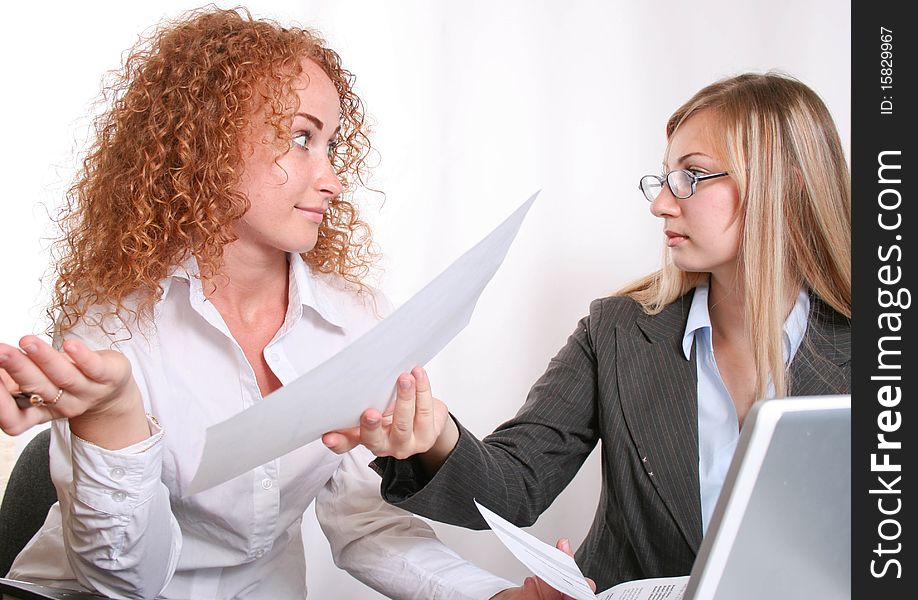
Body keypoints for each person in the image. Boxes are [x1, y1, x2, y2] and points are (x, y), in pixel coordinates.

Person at [0, 6, 548, 599]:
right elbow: (124, 579)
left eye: (332, 143)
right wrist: (114, 420)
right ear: (207, 142)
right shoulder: (114, 322)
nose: (333, 177)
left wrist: (494, 596)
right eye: (299, 137)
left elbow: (367, 522)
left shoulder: (356, 319)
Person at [323, 72, 852, 591]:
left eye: (692, 176)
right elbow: (513, 488)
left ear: (787, 181)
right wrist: (436, 436)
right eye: (664, 179)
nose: (661, 203)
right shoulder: (618, 331)